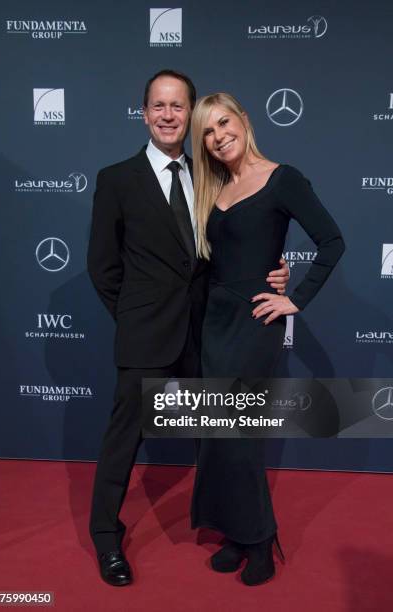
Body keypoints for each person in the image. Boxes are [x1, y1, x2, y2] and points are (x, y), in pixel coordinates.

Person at [87, 71, 290, 586]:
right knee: (122, 441)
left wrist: (277, 269)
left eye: (178, 106)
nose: (168, 114)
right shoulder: (116, 179)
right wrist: (136, 317)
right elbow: (103, 268)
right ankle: (107, 539)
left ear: (191, 114)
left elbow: (240, 246)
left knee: (222, 437)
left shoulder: (212, 176)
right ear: (144, 112)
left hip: (208, 335)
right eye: (159, 105)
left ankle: (238, 528)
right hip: (146, 337)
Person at [190, 93, 345, 586]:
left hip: (256, 322)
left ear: (244, 121)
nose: (218, 137)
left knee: (239, 435)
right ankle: (236, 533)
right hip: (215, 320)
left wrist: (293, 296)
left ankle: (260, 540)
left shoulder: (284, 179)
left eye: (224, 123)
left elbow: (332, 241)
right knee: (219, 432)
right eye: (208, 132)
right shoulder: (213, 188)